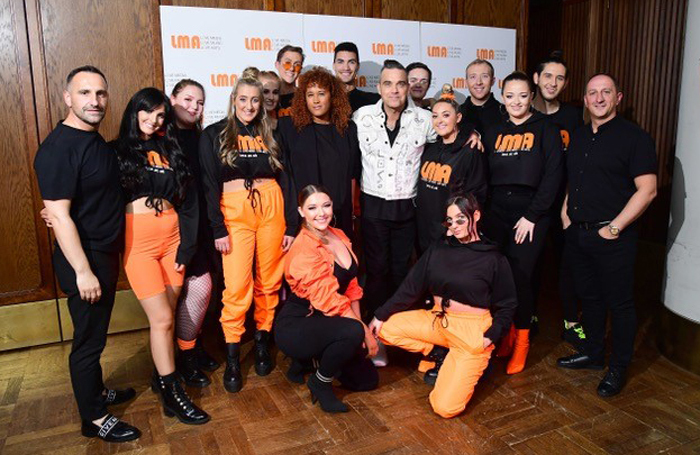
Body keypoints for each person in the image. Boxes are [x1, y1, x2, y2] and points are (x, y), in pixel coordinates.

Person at [34, 66, 141, 443]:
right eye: (84, 93)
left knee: (94, 334)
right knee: (88, 342)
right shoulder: (59, 148)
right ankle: (93, 418)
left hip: (103, 255)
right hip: (85, 259)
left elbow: (73, 205)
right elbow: (60, 215)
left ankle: (95, 393)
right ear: (68, 98)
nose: (94, 101)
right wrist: (83, 271)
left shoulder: (95, 142)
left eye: (100, 93)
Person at [369, 194, 516, 419]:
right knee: (384, 329)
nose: (455, 226)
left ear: (475, 216)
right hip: (438, 320)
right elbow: (411, 287)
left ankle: (468, 362)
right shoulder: (439, 249)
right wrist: (379, 315)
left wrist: (490, 337)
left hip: (471, 332)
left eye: (460, 219)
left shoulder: (493, 258)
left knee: (445, 408)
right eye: (450, 221)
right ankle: (439, 353)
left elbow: (507, 305)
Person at [557, 74, 657, 397]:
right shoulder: (580, 136)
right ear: (585, 100)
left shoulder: (635, 138)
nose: (599, 98)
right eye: (592, 93)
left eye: (606, 92)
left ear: (618, 97)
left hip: (614, 237)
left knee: (620, 303)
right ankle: (595, 354)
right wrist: (565, 213)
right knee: (591, 299)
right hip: (579, 233)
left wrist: (614, 228)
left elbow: (648, 190)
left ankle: (617, 367)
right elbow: (575, 180)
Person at [115, 87, 209, 425]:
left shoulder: (170, 148)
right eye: (148, 112)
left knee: (166, 318)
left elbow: (189, 200)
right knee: (163, 320)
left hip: (172, 242)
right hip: (138, 244)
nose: (154, 120)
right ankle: (172, 394)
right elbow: (94, 191)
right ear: (134, 110)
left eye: (160, 115)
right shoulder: (118, 151)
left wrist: (186, 247)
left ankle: (161, 376)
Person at [199, 71, 297, 393]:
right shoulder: (214, 134)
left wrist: (292, 223)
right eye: (243, 99)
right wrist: (218, 227)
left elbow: (287, 179)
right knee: (237, 286)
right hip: (235, 212)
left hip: (271, 207)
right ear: (233, 100)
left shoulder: (272, 133)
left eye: (255, 100)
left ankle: (262, 342)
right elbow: (210, 184)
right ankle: (231, 354)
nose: (250, 106)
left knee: (269, 281)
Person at [481, 71, 563, 375]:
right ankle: (505, 335)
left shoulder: (546, 129)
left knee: (521, 279)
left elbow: (553, 176)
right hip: (496, 211)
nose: (516, 101)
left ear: (532, 97)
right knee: (497, 279)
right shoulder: (492, 130)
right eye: (510, 95)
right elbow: (484, 174)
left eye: (523, 95)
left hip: (531, 213)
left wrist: (531, 216)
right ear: (503, 97)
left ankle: (522, 342)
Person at [276, 185, 379, 413]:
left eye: (326, 205)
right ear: (301, 212)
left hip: (330, 320)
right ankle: (319, 382)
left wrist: (362, 335)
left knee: (367, 381)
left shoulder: (338, 234)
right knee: (353, 331)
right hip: (299, 322)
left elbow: (351, 287)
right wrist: (362, 331)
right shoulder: (303, 248)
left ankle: (311, 360)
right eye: (312, 208)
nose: (321, 213)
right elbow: (330, 300)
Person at [352, 60, 437, 326]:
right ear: (379, 87)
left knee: (402, 270)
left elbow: (451, 139)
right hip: (373, 206)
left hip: (407, 207)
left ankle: (397, 325)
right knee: (377, 270)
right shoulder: (361, 117)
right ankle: (376, 329)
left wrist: (473, 134)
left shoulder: (425, 119)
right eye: (388, 84)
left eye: (401, 84)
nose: (395, 90)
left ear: (407, 87)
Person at [169, 79, 221, 388]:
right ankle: (179, 359)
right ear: (172, 98)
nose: (194, 107)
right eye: (188, 99)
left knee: (198, 292)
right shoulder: (162, 137)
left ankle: (192, 348)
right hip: (174, 229)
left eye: (200, 102)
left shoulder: (204, 137)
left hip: (202, 226)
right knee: (185, 292)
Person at [532, 51, 586, 346]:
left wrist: (568, 205)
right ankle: (531, 315)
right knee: (532, 262)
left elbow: (579, 164)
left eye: (560, 77)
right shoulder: (523, 113)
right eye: (548, 76)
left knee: (569, 264)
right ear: (537, 79)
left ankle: (571, 319)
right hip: (534, 204)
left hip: (565, 203)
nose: (553, 82)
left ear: (565, 83)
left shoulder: (574, 117)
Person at [278, 67, 359, 238]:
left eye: (321, 93)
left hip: (339, 214)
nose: (315, 100)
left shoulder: (348, 129)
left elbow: (352, 175)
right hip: (304, 217)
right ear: (303, 98)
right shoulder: (288, 128)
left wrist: (351, 214)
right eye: (310, 94)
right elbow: (285, 178)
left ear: (332, 96)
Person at [417, 97, 487, 253]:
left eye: (446, 115)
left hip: (450, 231)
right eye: (435, 116)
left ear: (458, 117)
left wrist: (457, 226)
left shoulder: (470, 150)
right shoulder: (429, 148)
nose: (439, 120)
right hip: (424, 229)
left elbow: (476, 194)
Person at [458, 59, 505, 134]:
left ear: (493, 81)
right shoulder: (457, 114)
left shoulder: (505, 113)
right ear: (466, 82)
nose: (479, 82)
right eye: (473, 77)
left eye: (485, 76)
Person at [332, 41, 380, 112]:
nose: (346, 68)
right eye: (340, 62)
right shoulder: (324, 101)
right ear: (334, 65)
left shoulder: (374, 102)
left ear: (358, 66)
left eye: (351, 62)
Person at [275, 45, 305, 118]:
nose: (292, 68)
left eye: (297, 64)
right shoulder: (268, 95)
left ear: (301, 69)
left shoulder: (304, 97)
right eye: (287, 63)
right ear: (277, 65)